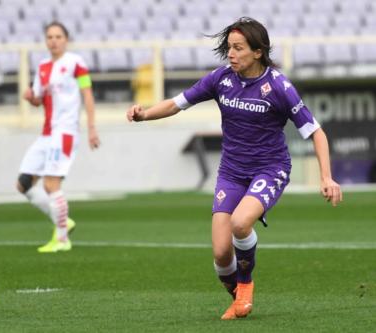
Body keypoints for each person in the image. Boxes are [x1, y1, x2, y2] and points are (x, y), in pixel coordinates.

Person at [126, 17, 342, 320]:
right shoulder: (221, 79)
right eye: (229, 48)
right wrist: (144, 114)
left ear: (257, 52)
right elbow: (177, 103)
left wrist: (326, 176)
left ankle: (245, 287)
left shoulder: (279, 87)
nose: (231, 54)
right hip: (231, 171)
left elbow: (316, 132)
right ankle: (237, 294)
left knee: (241, 224)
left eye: (238, 48)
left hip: (270, 168)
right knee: (220, 254)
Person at [17, 21, 100, 253]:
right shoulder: (42, 67)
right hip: (46, 133)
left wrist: (92, 127)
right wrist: (30, 98)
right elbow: (39, 100)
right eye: (50, 37)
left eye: (58, 36)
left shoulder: (76, 63)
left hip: (65, 132)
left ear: (66, 39)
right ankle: (62, 220)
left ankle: (62, 238)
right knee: (23, 184)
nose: (53, 40)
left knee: (50, 183)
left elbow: (88, 94)